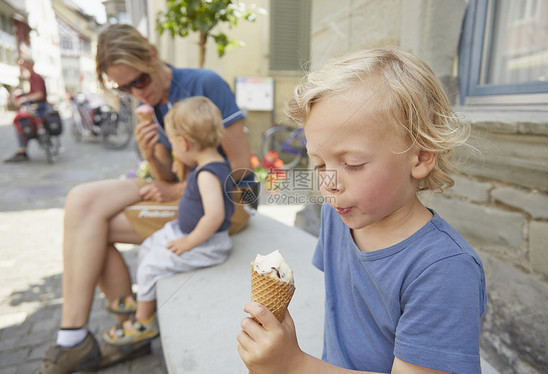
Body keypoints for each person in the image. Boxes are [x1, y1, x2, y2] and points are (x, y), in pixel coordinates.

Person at [237, 47, 487, 373]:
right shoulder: (337, 216)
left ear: (422, 157)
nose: (329, 183)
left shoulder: (445, 270)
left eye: (352, 164)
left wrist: (293, 364)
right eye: (319, 162)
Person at [34, 24, 252, 373]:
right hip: (189, 194)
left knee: (94, 228)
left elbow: (240, 169)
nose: (137, 92)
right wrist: (151, 156)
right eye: (124, 88)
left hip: (224, 204)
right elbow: (169, 177)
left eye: (140, 81)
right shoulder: (153, 107)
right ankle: (80, 333)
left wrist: (175, 191)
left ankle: (113, 332)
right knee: (81, 200)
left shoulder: (202, 84)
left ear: (152, 56)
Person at [103, 96, 235, 346]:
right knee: (149, 244)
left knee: (152, 264)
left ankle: (143, 321)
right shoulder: (213, 164)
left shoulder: (208, 174)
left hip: (206, 243)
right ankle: (143, 294)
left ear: (183, 143)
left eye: (173, 144)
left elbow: (215, 215)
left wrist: (188, 242)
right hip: (189, 232)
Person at [4, 57, 47, 162]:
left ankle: (22, 151)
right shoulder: (31, 78)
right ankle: (22, 150)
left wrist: (23, 99)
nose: (21, 66)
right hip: (37, 106)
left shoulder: (35, 77)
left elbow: (39, 94)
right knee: (21, 119)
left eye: (23, 64)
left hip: (39, 107)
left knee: (20, 120)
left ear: (29, 64)